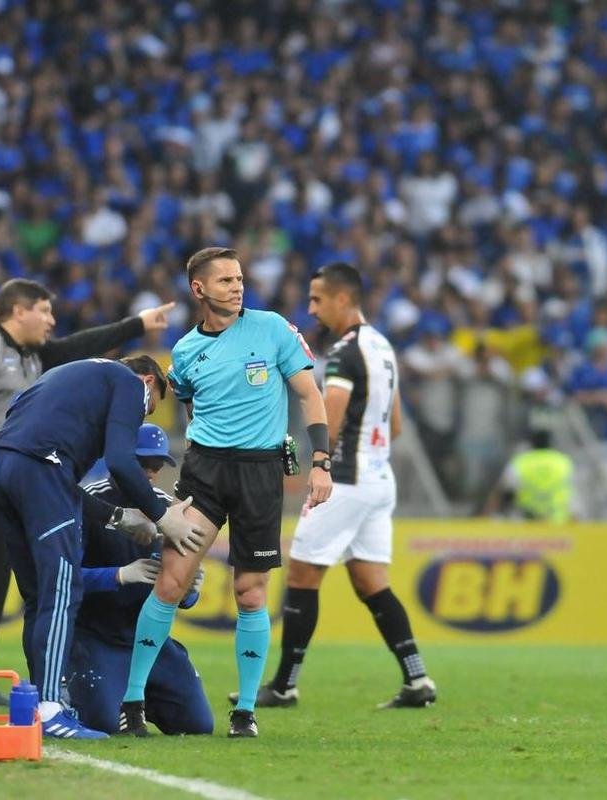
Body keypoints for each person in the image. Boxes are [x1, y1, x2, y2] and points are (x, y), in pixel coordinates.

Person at [0, 278, 174, 708]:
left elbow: (80, 345)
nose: (52, 320)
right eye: (45, 310)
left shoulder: (43, 363)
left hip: (7, 478)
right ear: (18, 310)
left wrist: (136, 324)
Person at [118, 246, 332, 739]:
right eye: (225, 281)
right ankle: (132, 703)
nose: (237, 287)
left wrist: (321, 461)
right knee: (170, 582)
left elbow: (309, 394)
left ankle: (246, 711)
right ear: (199, 289)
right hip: (206, 474)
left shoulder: (273, 329)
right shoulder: (185, 352)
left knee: (250, 592)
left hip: (260, 475)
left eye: (239, 279)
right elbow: (191, 406)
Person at [233, 262, 435, 711]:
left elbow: (333, 413)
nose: (311, 309)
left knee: (303, 573)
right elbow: (396, 424)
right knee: (371, 582)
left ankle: (284, 685)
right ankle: (417, 679)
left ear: (342, 299)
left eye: (317, 299)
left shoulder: (344, 352)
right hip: (379, 478)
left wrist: (319, 462)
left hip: (345, 479)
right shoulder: (382, 346)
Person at [0, 354, 201, 739]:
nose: (140, 417)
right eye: (149, 409)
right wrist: (160, 516)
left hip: (4, 464)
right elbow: (120, 460)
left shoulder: (65, 375)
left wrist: (120, 518)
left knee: (38, 595)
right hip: (44, 467)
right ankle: (50, 707)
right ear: (147, 383)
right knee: (60, 590)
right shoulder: (128, 383)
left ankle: (37, 704)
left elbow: (22, 423)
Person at [65, 424, 213, 736]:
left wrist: (189, 591)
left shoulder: (169, 509)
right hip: (97, 636)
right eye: (142, 464)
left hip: (151, 639)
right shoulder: (89, 503)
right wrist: (119, 575)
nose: (149, 473)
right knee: (105, 723)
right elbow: (63, 578)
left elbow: (183, 592)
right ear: (119, 461)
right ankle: (70, 689)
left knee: (198, 725)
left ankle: (144, 699)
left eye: (156, 466)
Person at [484, 430, 574, 522]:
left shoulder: (521, 461)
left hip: (527, 521)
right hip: (557, 521)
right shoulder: (564, 462)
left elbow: (508, 490)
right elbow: (572, 492)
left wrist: (499, 513)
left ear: (532, 444)